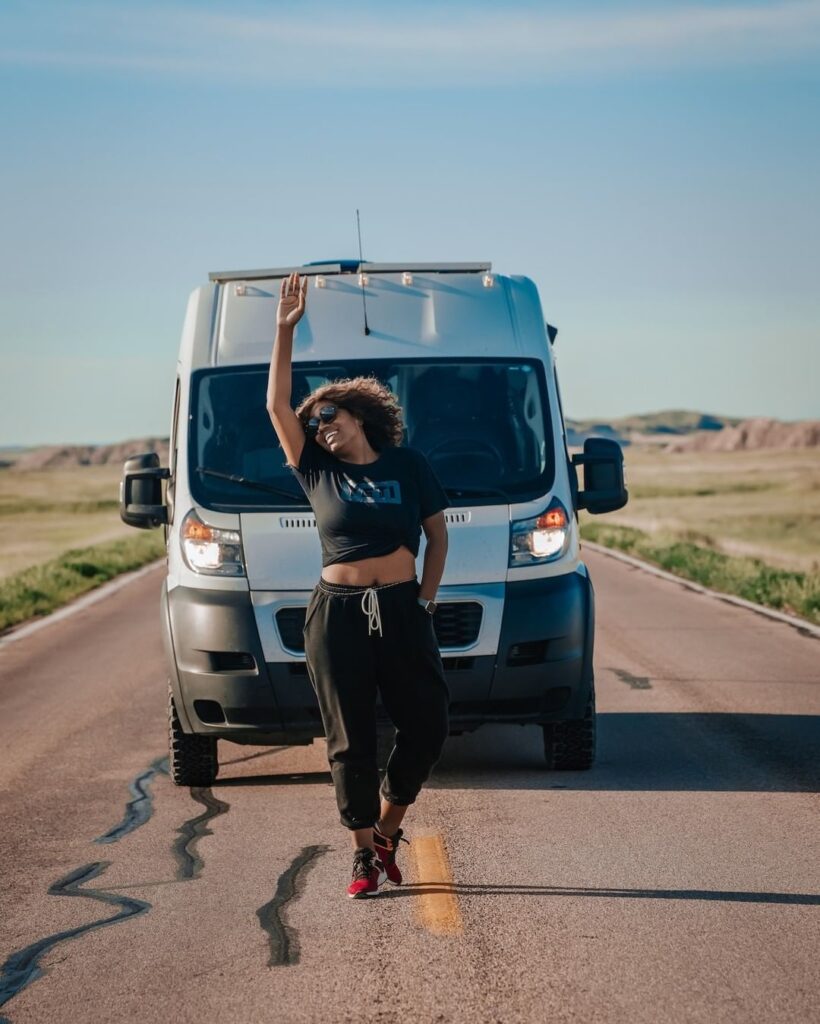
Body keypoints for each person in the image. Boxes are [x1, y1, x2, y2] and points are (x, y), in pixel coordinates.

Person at [265, 271, 450, 899]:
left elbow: (437, 534)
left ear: (360, 415)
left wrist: (424, 600)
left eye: (329, 416)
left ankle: (390, 830)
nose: (320, 427)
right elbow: (275, 408)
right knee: (351, 740)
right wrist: (283, 332)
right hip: (337, 613)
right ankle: (362, 856)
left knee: (427, 726)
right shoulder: (316, 470)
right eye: (314, 423)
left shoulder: (408, 465)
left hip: (401, 608)